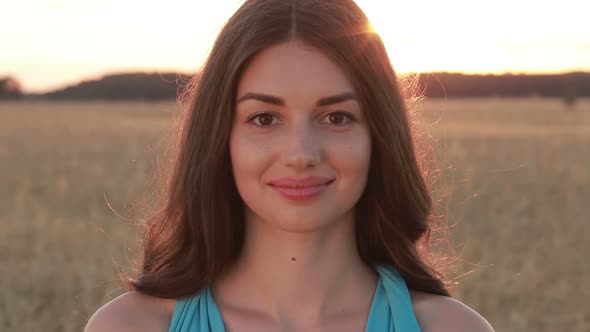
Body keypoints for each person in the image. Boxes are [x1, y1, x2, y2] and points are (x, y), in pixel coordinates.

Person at [85, 0, 495, 331]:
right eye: (264, 118)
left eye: (337, 117)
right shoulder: (129, 327)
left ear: (379, 137)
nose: (301, 153)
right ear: (219, 138)